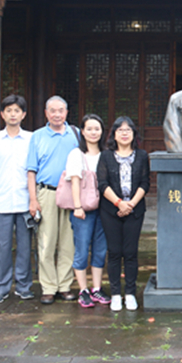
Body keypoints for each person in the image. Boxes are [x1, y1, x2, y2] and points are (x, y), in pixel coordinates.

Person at [0, 95, 34, 303]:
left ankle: (23, 285)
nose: (13, 114)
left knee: (24, 246)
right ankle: (0, 287)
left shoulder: (31, 139)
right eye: (9, 111)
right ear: (2, 114)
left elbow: (34, 170)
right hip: (2, 201)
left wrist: (34, 199)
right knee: (0, 246)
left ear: (24, 114)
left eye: (17, 111)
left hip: (24, 201)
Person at [26, 96, 79, 305]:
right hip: (46, 193)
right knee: (46, 242)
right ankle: (48, 287)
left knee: (68, 242)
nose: (57, 114)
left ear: (66, 112)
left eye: (61, 110)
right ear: (46, 113)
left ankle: (64, 286)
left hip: (70, 192)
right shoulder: (38, 136)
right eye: (52, 111)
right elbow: (31, 170)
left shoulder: (75, 135)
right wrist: (32, 199)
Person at [97, 116, 150, 312]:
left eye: (128, 130)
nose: (125, 133)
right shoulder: (106, 156)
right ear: (114, 134)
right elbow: (102, 184)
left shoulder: (142, 155)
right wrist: (119, 203)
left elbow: (145, 183)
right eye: (120, 130)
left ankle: (130, 293)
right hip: (111, 210)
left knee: (130, 253)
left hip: (135, 211)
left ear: (134, 134)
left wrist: (131, 204)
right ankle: (116, 294)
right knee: (114, 252)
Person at [65, 114, 111, 309]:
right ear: (82, 132)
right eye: (89, 129)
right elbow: (74, 181)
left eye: (97, 129)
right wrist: (77, 206)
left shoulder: (106, 154)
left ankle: (97, 287)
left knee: (100, 250)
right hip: (83, 210)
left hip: (103, 210)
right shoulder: (76, 154)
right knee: (82, 249)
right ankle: (83, 289)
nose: (93, 132)